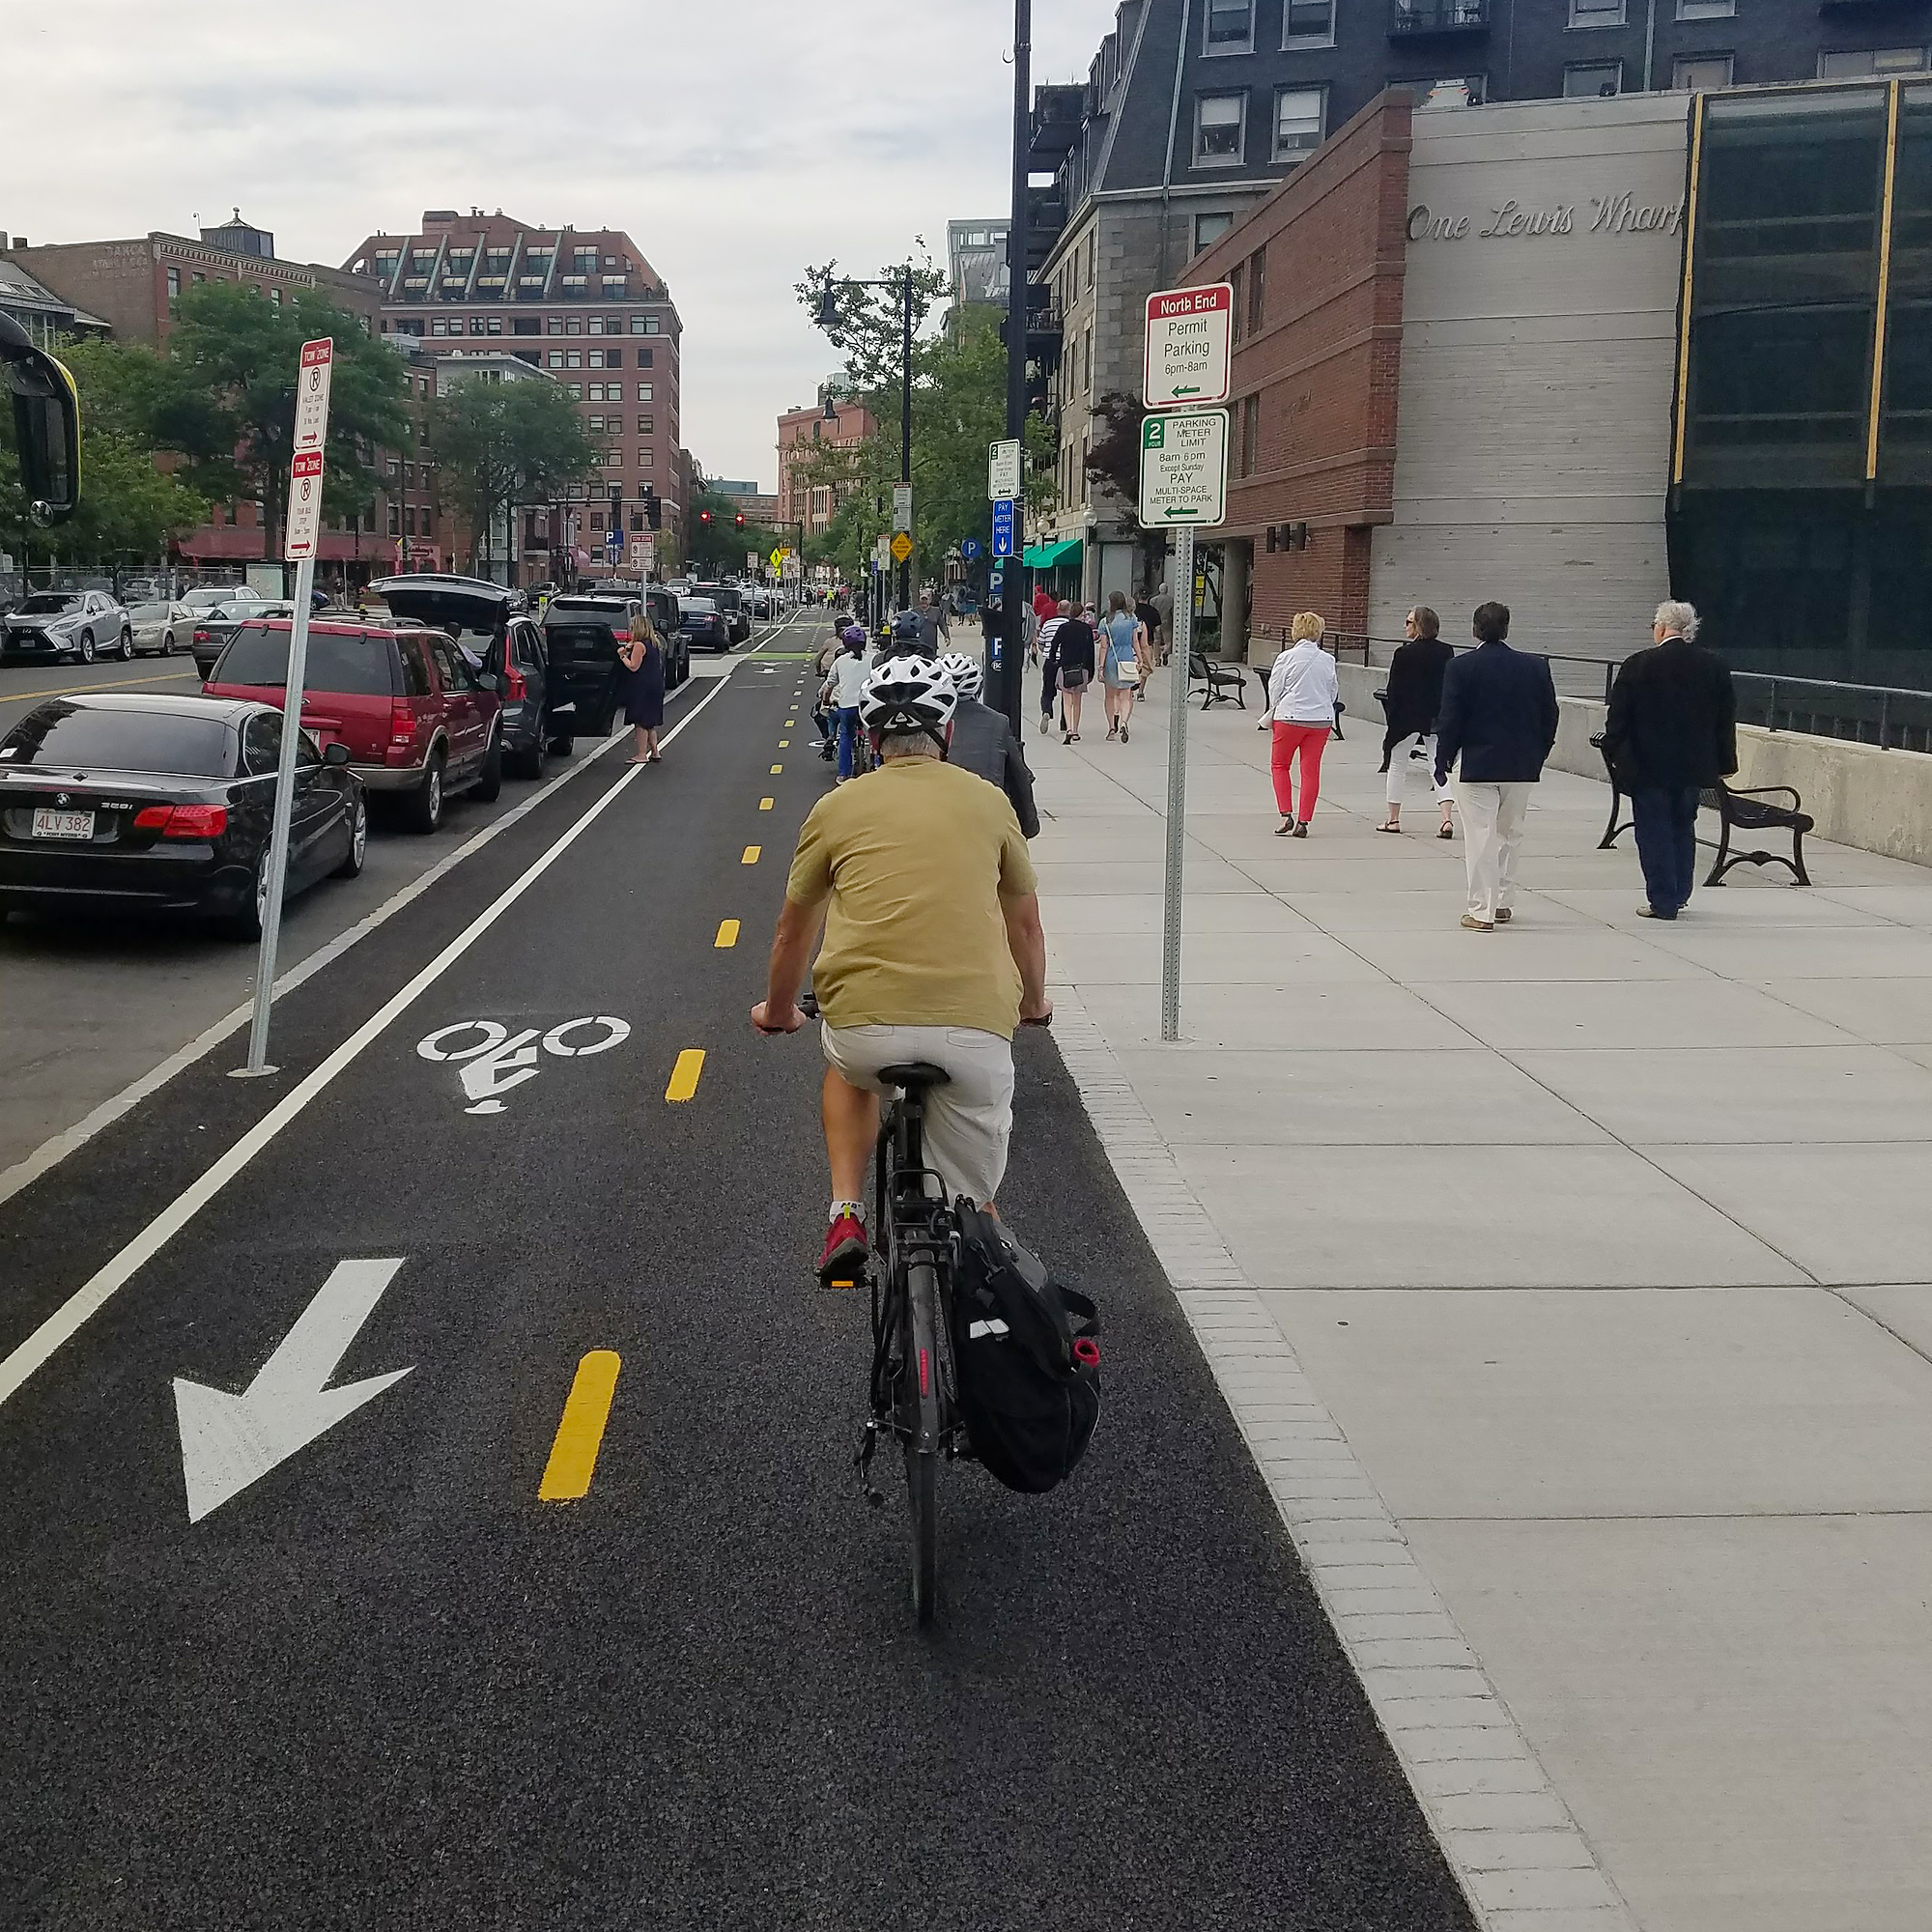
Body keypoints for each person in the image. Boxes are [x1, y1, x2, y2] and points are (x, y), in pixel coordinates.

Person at [750, 656, 1052, 1284]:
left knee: (848, 1071)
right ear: (946, 731)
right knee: (978, 1214)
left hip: (865, 1025)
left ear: (871, 733)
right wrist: (1033, 1004)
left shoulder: (837, 807)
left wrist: (778, 1011)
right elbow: (1025, 926)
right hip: (973, 1026)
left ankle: (845, 1212)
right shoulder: (989, 803)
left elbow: (791, 931)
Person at [1601, 599, 1737, 920]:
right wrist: (1724, 764)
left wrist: (1618, 755)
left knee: (1653, 831)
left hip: (1647, 765)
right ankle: (1679, 893)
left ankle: (1662, 900)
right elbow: (1724, 720)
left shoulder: (1637, 665)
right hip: (1693, 765)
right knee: (1682, 826)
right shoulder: (1714, 666)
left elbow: (1617, 719)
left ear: (1661, 627)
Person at [1434, 601, 1559, 931]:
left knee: (1480, 835)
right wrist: (1540, 753)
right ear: (1506, 629)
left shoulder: (1461, 668)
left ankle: (1481, 909)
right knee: (1510, 833)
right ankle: (1503, 901)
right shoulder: (1535, 666)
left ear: (1476, 629)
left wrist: (1443, 758)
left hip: (1476, 761)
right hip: (1521, 763)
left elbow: (1451, 719)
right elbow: (1550, 715)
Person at [939, 649, 1038, 837]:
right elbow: (1019, 779)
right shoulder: (997, 722)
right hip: (988, 816)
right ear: (978, 687)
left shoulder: (932, 723)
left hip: (940, 819)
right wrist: (1028, 825)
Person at [1378, 605, 1456, 838]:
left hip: (1407, 717)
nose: (1405, 626)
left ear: (1420, 625)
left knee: (1398, 764)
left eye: (1409, 622)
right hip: (1436, 716)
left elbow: (1395, 689)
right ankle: (1446, 819)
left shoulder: (1403, 654)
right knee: (1438, 764)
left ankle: (1393, 819)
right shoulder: (1446, 651)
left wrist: (1392, 717)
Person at [1266, 612, 1340, 838]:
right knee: (1310, 770)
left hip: (1290, 716)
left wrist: (1275, 708)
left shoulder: (1286, 657)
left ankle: (1285, 814)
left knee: (1280, 765)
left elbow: (1275, 688)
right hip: (1320, 720)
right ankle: (1304, 820)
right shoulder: (1328, 660)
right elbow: (1333, 691)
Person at [617, 611, 665, 764]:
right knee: (650, 721)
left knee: (640, 721)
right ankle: (655, 752)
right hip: (655, 685)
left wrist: (622, 656)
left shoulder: (639, 645)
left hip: (642, 687)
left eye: (632, 627)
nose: (630, 630)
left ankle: (641, 754)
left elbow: (633, 666)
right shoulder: (654, 643)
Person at [826, 625, 870, 782]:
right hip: (868, 706)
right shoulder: (873, 658)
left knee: (846, 735)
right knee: (874, 733)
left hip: (847, 706)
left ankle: (843, 773)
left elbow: (829, 685)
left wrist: (826, 701)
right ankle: (878, 764)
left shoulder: (840, 661)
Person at [1098, 591, 1143, 742]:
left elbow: (1104, 646)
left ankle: (1112, 727)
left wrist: (1101, 666)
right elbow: (1135, 641)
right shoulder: (1131, 619)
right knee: (1126, 695)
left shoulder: (1105, 622)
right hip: (1127, 658)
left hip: (1111, 658)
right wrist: (1140, 659)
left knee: (1110, 696)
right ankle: (1124, 721)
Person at [1053, 600, 1096, 742]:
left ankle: (1069, 728)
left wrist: (1055, 660)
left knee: (1066, 700)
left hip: (1065, 666)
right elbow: (1090, 651)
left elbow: (1054, 646)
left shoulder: (1063, 628)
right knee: (1077, 701)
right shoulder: (1086, 630)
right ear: (1081, 614)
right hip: (1081, 667)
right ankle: (1076, 730)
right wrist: (1090, 671)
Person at [1034, 599, 1067, 736]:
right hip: (1065, 661)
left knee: (1047, 691)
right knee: (1067, 693)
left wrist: (1046, 652)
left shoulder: (1048, 624)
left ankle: (1047, 711)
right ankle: (1065, 722)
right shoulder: (1069, 624)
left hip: (1050, 660)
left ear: (1057, 609)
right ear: (1069, 610)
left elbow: (1041, 642)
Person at [914, 589, 950, 654]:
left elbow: (942, 625)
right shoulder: (914, 612)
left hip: (932, 645)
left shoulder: (936, 611)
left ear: (929, 600)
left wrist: (946, 637)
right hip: (917, 645)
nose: (924, 602)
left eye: (926, 600)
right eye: (922, 599)